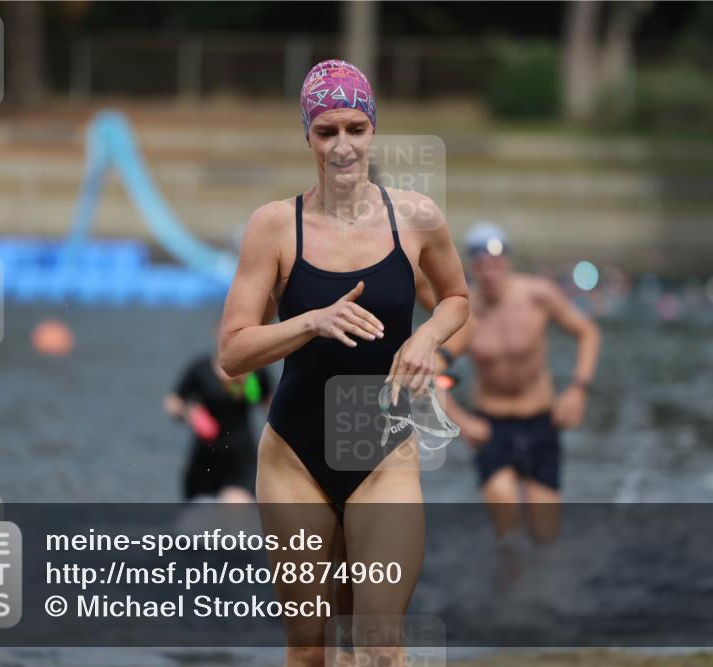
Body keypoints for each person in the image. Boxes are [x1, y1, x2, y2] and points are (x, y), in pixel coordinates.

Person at [218, 59, 469, 665]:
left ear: (373, 130)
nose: (342, 146)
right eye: (327, 131)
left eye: (355, 128)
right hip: (294, 459)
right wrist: (309, 321)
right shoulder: (275, 227)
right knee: (310, 647)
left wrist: (427, 336)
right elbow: (232, 352)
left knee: (379, 643)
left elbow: (458, 299)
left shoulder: (417, 218)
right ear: (307, 135)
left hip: (382, 452)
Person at [445, 222, 601, 545]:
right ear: (472, 268)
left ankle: (540, 592)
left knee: (545, 535)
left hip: (541, 421)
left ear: (507, 262)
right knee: (506, 519)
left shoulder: (538, 295)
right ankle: (507, 583)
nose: (490, 272)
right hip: (492, 425)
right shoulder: (463, 311)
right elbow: (429, 370)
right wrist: (461, 422)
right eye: (481, 265)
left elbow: (588, 333)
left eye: (496, 262)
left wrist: (578, 389)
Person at [164, 350, 273, 503]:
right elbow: (172, 401)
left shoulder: (257, 372)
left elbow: (271, 407)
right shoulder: (201, 369)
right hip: (203, 458)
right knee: (198, 517)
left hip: (240, 460)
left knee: (235, 509)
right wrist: (189, 412)